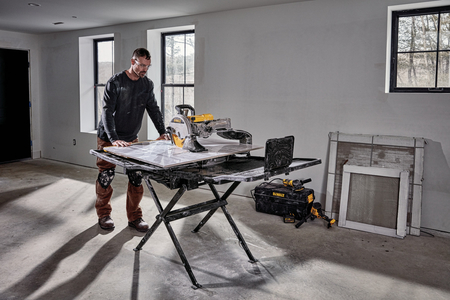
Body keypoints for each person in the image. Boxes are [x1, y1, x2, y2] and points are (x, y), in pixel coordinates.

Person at [95, 48, 168, 232]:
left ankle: (134, 217)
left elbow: (153, 109)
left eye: (147, 66)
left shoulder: (146, 84)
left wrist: (163, 132)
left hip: (131, 137)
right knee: (106, 176)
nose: (144, 69)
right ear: (132, 61)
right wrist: (114, 139)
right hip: (109, 137)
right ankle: (104, 214)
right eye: (142, 65)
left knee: (136, 177)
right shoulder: (116, 82)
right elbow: (107, 111)